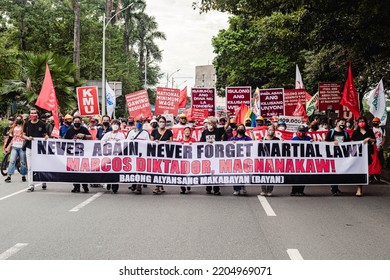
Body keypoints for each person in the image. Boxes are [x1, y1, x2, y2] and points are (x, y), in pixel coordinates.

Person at [64, 116, 92, 193]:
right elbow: (65, 141)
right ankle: (76, 186)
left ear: (81, 122)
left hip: (83, 154)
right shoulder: (69, 130)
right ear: (73, 122)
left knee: (83, 170)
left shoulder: (84, 129)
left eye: (78, 121)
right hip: (73, 154)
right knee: (74, 171)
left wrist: (84, 136)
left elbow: (91, 137)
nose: (77, 123)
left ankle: (85, 186)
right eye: (75, 121)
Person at [23, 108, 48, 192]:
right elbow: (23, 135)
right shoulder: (26, 124)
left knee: (41, 165)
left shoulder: (42, 124)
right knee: (30, 167)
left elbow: (45, 134)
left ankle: (43, 181)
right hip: (29, 147)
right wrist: (28, 138)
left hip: (39, 148)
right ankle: (31, 185)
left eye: (34, 113)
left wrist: (46, 137)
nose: (33, 115)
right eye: (31, 113)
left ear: (37, 115)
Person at [325, 118, 351, 195]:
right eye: (341, 123)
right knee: (334, 171)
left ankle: (335, 187)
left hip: (342, 155)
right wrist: (333, 142)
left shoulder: (345, 133)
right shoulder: (331, 132)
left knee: (339, 171)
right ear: (337, 123)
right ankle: (334, 188)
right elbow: (326, 142)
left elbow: (349, 143)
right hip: (333, 155)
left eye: (344, 123)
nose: (342, 124)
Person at [200, 117, 225, 195]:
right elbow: (201, 142)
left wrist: (227, 116)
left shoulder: (218, 131)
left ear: (214, 124)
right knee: (208, 171)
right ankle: (208, 187)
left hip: (216, 154)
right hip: (207, 155)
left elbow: (226, 126)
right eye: (208, 123)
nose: (209, 124)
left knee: (216, 172)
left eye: (210, 123)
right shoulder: (204, 132)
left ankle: (216, 189)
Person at [352, 116, 376, 197]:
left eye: (363, 121)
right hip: (358, 154)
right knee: (359, 170)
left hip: (367, 153)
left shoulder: (369, 131)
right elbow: (352, 142)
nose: (361, 123)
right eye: (360, 121)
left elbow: (374, 140)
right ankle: (359, 188)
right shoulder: (356, 132)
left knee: (364, 170)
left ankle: (360, 187)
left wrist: (369, 139)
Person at [101, 119, 126, 194]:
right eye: (114, 124)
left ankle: (115, 187)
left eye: (117, 124)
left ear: (119, 126)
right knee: (108, 170)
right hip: (107, 155)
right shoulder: (107, 134)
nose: (115, 126)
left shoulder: (121, 135)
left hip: (116, 156)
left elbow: (124, 144)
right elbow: (101, 142)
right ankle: (108, 183)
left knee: (115, 171)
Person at [150, 116, 173, 194]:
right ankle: (157, 186)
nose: (162, 123)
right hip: (156, 154)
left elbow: (172, 143)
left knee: (162, 170)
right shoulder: (154, 132)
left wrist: (169, 142)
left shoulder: (169, 132)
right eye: (160, 122)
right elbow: (150, 143)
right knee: (157, 170)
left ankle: (160, 184)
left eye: (163, 122)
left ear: (165, 123)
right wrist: (154, 142)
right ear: (158, 123)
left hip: (165, 154)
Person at [229, 124, 252, 195]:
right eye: (239, 128)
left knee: (243, 174)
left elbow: (253, 143)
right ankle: (236, 189)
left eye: (242, 128)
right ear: (236, 130)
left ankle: (243, 186)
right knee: (235, 174)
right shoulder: (232, 139)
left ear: (244, 130)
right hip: (235, 159)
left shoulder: (247, 138)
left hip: (244, 159)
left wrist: (252, 134)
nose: (240, 129)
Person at [290, 125, 312, 196]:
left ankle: (300, 191)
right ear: (297, 131)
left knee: (303, 176)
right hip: (296, 160)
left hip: (305, 160)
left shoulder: (308, 138)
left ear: (305, 132)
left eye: (303, 131)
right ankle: (294, 191)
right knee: (296, 176)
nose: (301, 132)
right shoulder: (294, 139)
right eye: (300, 131)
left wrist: (313, 142)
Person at [4, 116, 27, 183]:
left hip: (22, 147)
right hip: (14, 146)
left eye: (20, 119)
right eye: (17, 119)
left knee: (22, 162)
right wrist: (8, 146)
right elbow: (11, 138)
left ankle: (23, 175)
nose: (18, 120)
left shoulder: (24, 128)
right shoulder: (13, 128)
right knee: (12, 161)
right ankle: (9, 176)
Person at [260, 125, 280, 196]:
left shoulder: (277, 140)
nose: (271, 131)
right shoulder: (263, 139)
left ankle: (269, 190)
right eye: (269, 129)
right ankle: (263, 190)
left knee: (271, 175)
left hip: (273, 160)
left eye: (272, 130)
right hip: (264, 160)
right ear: (267, 131)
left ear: (274, 131)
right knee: (263, 175)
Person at [176, 126, 196, 194]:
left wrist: (193, 144)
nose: (187, 132)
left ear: (190, 132)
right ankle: (182, 188)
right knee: (182, 173)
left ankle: (188, 184)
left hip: (190, 160)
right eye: (186, 131)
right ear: (183, 132)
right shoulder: (180, 140)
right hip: (182, 159)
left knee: (188, 172)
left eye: (188, 131)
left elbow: (197, 148)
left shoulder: (193, 140)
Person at [371, 117, 386, 182]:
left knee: (381, 161)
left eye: (376, 121)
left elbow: (383, 138)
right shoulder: (371, 129)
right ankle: (372, 176)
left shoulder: (382, 129)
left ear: (379, 122)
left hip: (379, 148)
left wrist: (380, 146)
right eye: (374, 121)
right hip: (373, 148)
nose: (375, 123)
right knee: (372, 162)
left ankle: (377, 174)